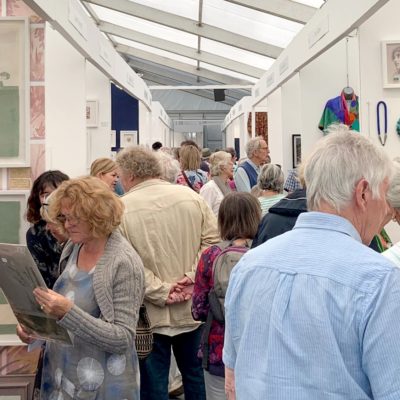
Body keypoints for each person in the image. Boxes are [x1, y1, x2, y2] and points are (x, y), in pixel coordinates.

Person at [223, 125, 400, 400]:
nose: (388, 209)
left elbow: (232, 380)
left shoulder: (249, 266)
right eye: (384, 195)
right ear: (363, 193)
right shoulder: (379, 279)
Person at [17, 176, 145, 399]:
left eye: (75, 218)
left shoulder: (123, 262)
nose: (67, 225)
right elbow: (66, 316)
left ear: (97, 215)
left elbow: (122, 338)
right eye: (65, 217)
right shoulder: (74, 248)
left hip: (103, 386)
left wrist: (67, 312)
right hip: (63, 374)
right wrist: (36, 330)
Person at [116, 146, 220, 400]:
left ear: (130, 175)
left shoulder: (121, 209)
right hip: (192, 308)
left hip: (149, 315)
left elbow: (126, 263)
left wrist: (161, 290)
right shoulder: (191, 198)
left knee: (154, 386)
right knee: (196, 377)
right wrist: (192, 277)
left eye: (120, 176)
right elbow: (212, 242)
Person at [192, 192, 261, 400]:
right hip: (257, 348)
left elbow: (198, 310)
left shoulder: (210, 255)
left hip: (218, 349)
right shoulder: (264, 252)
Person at [26, 170, 69, 289]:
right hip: (52, 292)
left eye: (57, 192)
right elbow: (39, 277)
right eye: (45, 194)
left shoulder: (78, 225)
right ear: (37, 198)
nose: (51, 198)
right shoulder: (36, 233)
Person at [199, 151, 233, 216]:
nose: (232, 164)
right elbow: (204, 214)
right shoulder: (209, 188)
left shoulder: (226, 185)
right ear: (222, 167)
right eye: (229, 163)